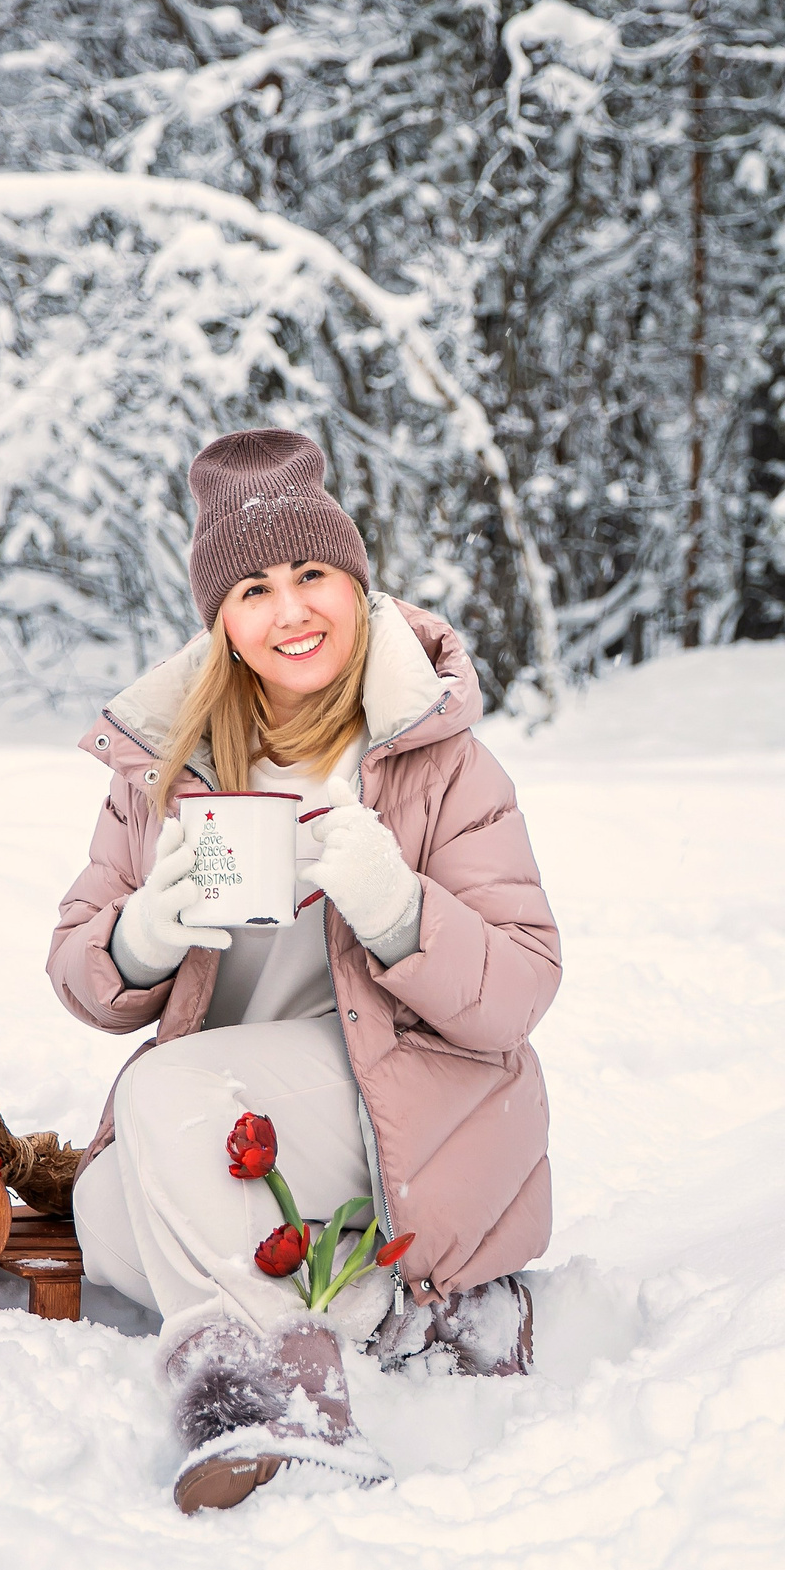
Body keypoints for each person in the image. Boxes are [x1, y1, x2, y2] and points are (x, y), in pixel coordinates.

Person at [50, 428, 559, 1514]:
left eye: (314, 575)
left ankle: (267, 1401)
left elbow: (520, 989)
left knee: (164, 1092)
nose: (290, 612)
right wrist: (143, 933)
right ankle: (391, 1308)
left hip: (402, 1113)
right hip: (234, 1122)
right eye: (254, 588)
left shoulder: (437, 760)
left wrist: (398, 907)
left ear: (358, 585)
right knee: (102, 1216)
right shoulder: (164, 764)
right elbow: (79, 967)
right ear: (222, 622)